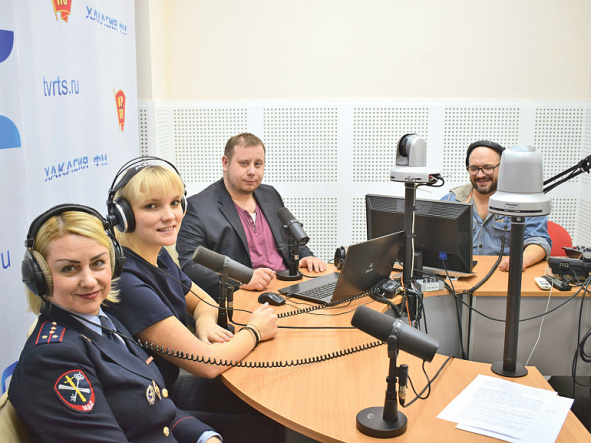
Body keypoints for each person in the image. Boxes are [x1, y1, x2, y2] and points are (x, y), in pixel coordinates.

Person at [103, 158, 283, 442]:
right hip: (154, 407)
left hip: (166, 388)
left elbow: (204, 302)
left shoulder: (157, 254)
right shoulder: (126, 281)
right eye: (152, 206)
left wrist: (204, 324)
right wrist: (255, 331)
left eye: (175, 203)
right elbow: (207, 364)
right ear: (123, 216)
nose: (170, 216)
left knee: (267, 394)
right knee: (268, 429)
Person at [9, 204, 220, 442]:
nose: (90, 281)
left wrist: (205, 437)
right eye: (69, 268)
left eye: (98, 263)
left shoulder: (102, 320)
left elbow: (158, 406)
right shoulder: (53, 359)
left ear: (115, 263)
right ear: (40, 278)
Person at [176, 132, 327, 299]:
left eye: (258, 164)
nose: (252, 171)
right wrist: (241, 279)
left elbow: (290, 238)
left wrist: (306, 257)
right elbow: (190, 266)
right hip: (245, 297)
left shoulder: (270, 194)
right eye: (244, 163)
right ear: (225, 163)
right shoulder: (198, 207)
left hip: (287, 288)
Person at [441, 140, 551, 271]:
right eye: (474, 169)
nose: (480, 175)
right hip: (462, 277)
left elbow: (538, 241)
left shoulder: (524, 202)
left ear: (504, 168)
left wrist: (521, 260)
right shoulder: (451, 201)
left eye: (488, 168)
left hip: (505, 275)